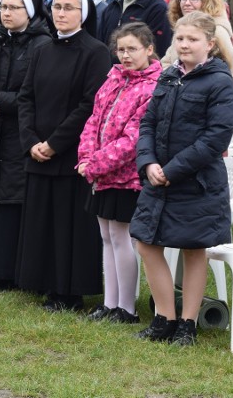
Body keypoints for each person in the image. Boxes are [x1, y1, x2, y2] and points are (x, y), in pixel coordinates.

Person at [131, 11, 233, 346]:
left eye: (192, 39)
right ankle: (165, 318)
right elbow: (147, 123)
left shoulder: (220, 81)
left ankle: (187, 326)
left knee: (194, 250)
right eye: (180, 38)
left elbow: (215, 138)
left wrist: (171, 170)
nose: (185, 45)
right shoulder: (167, 77)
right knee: (147, 243)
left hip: (197, 183)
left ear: (210, 43)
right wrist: (148, 163)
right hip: (158, 179)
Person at [16, 0, 112, 311]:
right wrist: (30, 140)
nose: (61, 13)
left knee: (68, 225)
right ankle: (45, 284)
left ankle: (70, 291)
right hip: (38, 150)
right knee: (42, 221)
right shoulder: (43, 48)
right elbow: (25, 96)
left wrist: (55, 143)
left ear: (82, 13)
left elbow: (89, 105)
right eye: (57, 7)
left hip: (70, 153)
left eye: (69, 7)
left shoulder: (95, 51)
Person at [78, 22, 161, 324]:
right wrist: (85, 156)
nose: (125, 56)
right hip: (101, 174)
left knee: (122, 235)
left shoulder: (152, 86)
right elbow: (94, 119)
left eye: (132, 49)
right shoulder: (112, 78)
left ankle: (125, 307)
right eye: (121, 49)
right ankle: (109, 301)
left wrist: (96, 163)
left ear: (149, 50)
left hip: (126, 176)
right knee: (106, 235)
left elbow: (133, 138)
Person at [0, 0, 51, 290]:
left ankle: (17, 272)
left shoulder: (41, 44)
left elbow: (36, 94)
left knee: (15, 201)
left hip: (21, 131)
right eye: (3, 7)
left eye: (13, 8)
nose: (6, 13)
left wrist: (0, 101)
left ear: (29, 12)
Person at [162, 0, 233, 75]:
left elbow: (227, 68)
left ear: (207, 1)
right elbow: (166, 62)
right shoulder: (182, 28)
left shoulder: (216, 31)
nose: (187, 3)